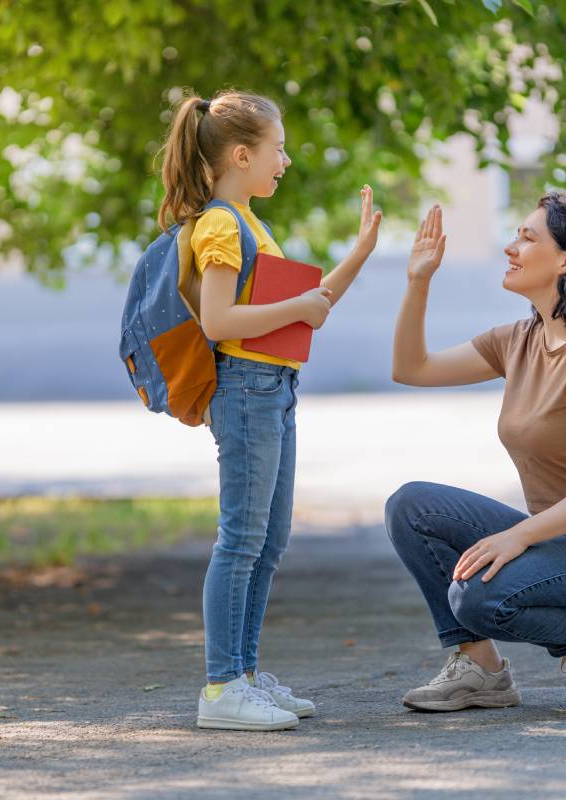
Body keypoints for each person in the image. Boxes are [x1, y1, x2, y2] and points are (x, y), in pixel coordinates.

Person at [158, 90, 382, 730]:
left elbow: (309, 304)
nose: (285, 160)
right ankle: (222, 689)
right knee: (241, 540)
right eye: (277, 150)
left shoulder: (252, 224)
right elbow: (220, 320)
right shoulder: (221, 224)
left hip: (275, 389)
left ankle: (245, 675)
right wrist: (296, 309)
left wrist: (360, 252)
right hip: (247, 389)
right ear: (240, 154)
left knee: (269, 540)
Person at [385, 192, 566, 713]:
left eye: (527, 238)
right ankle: (480, 671)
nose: (511, 248)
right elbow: (411, 368)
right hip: (557, 540)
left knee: (478, 596)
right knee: (411, 506)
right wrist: (418, 280)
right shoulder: (519, 340)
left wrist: (516, 536)